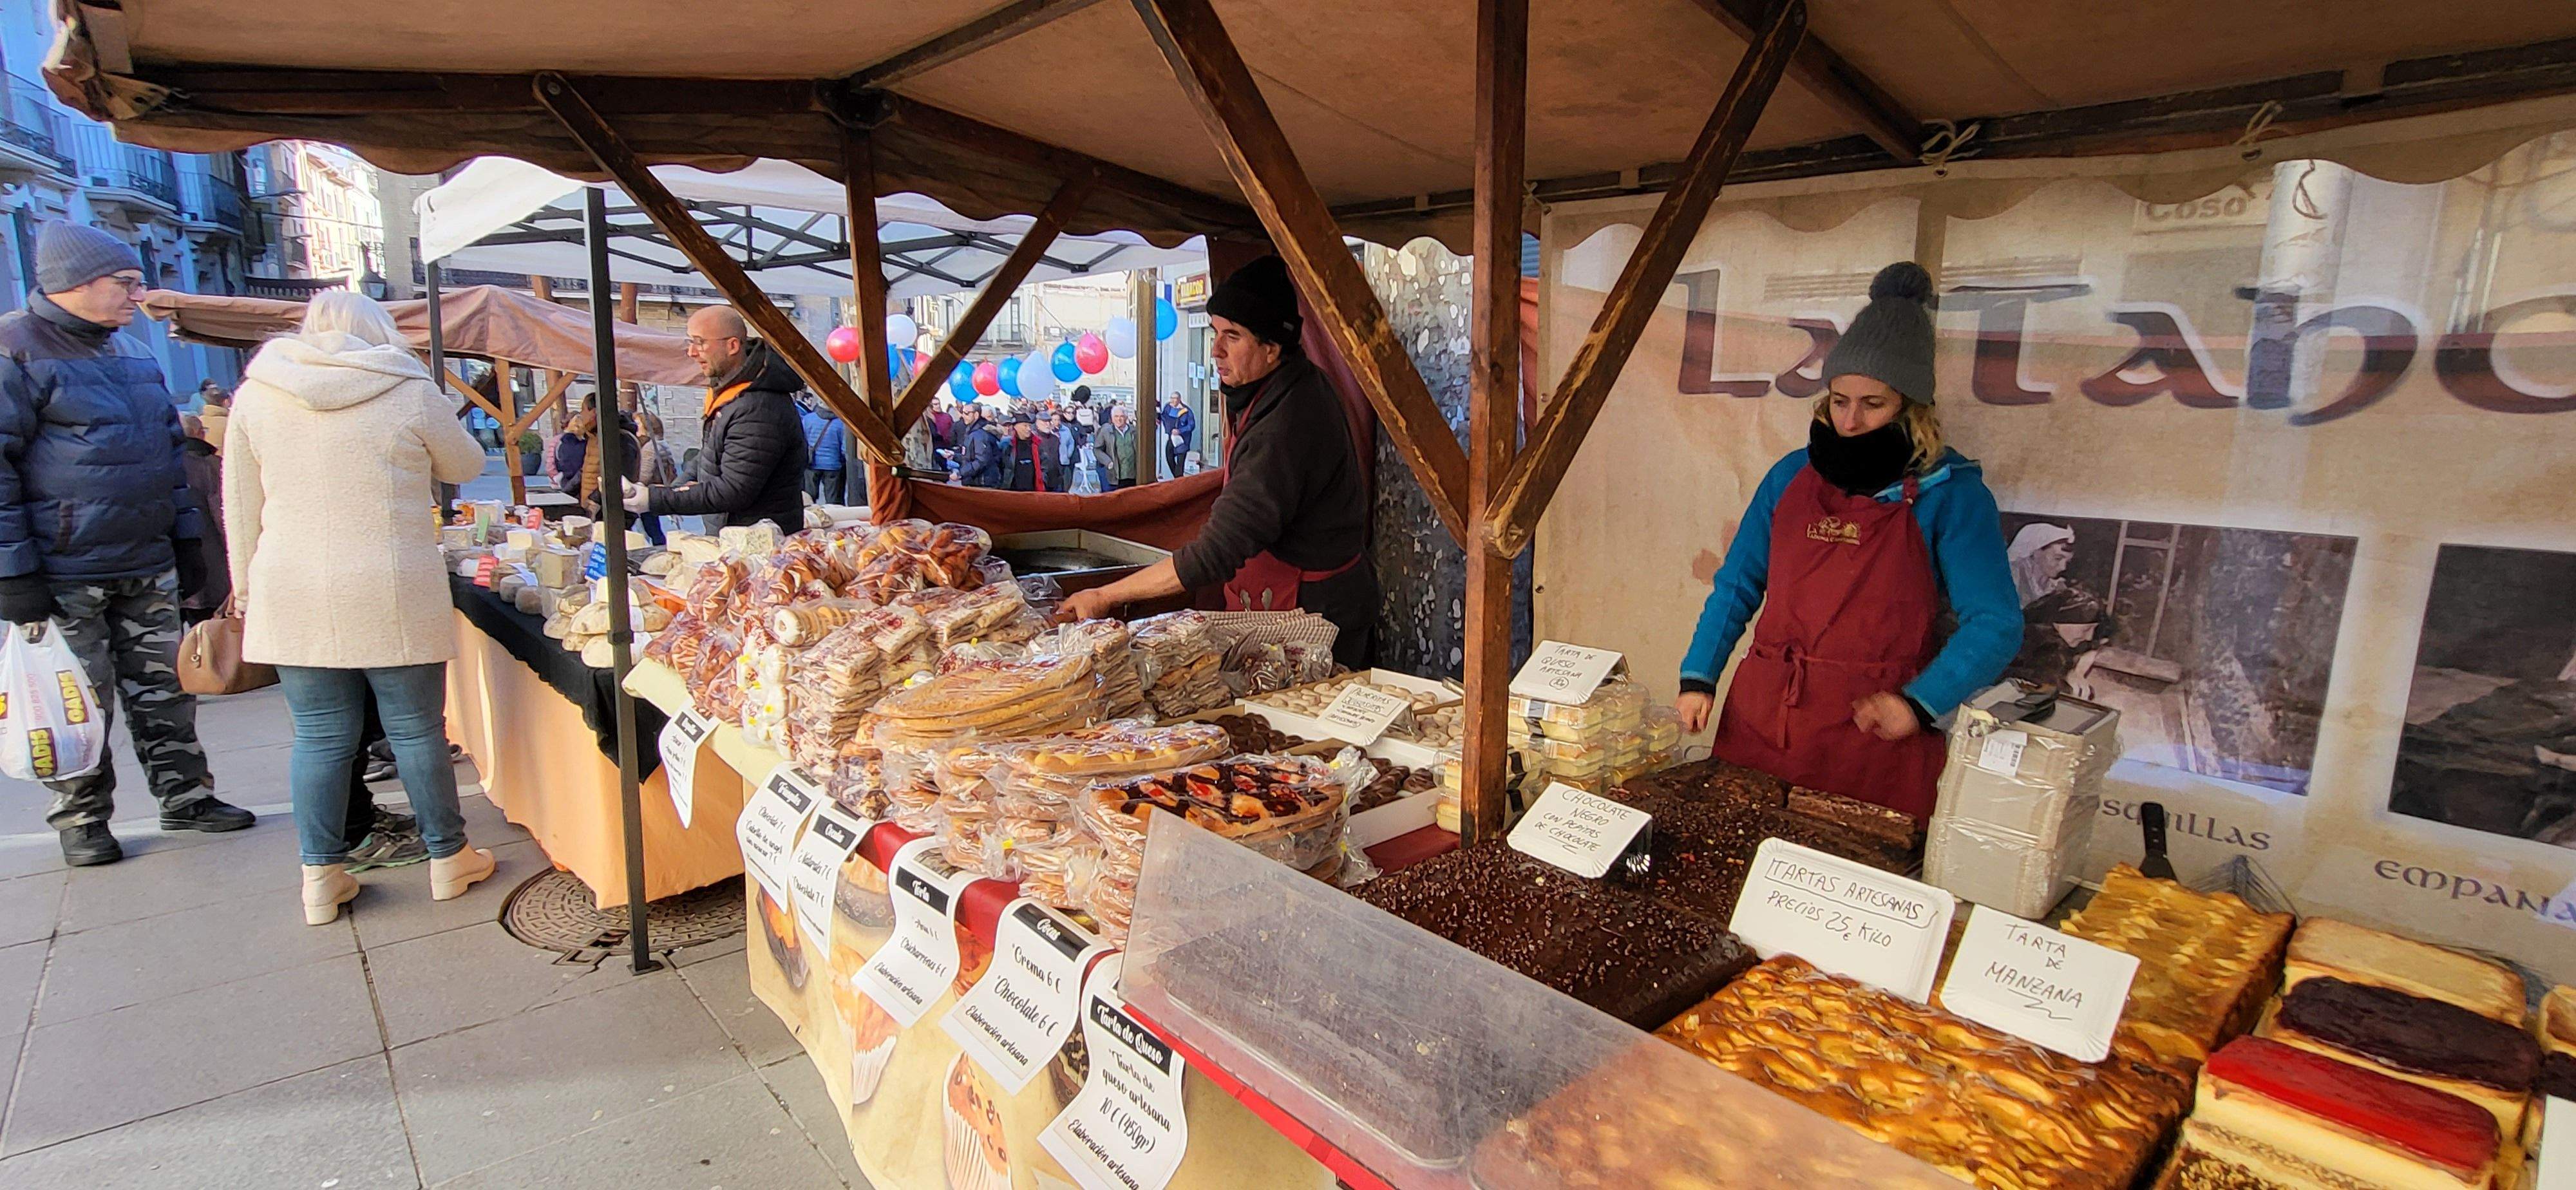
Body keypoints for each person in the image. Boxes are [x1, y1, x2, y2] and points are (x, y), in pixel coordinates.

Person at [1671, 261, 2020, 820]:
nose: (1851, 421)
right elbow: (1738, 584)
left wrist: (1921, 704)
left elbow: (1997, 623)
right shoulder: (1790, 476)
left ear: (1912, 406)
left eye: (1872, 404)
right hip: (1766, 715)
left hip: (1874, 731)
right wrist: (1699, 674)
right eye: (1839, 401)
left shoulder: (1951, 494)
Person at [224, 290, 497, 923]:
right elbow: (466, 461)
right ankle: (447, 858)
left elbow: (240, 505)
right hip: (390, 580)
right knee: (416, 729)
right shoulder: (403, 384)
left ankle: (321, 876)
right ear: (379, 332)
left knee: (318, 738)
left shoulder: (258, 392)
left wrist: (246, 591)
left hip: (290, 584)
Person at [0, 223, 254, 865]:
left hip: (145, 561)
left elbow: (169, 456)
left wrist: (186, 537)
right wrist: (13, 572)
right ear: (74, 283)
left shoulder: (130, 353)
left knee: (165, 690)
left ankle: (186, 796)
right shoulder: (14, 351)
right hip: (62, 569)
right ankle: (82, 818)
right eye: (125, 282)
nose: (136, 295)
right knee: (77, 700)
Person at [1057, 257, 1375, 666]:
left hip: (1318, 614)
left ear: (1272, 348)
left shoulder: (1288, 422)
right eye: (1214, 332)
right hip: (1283, 595)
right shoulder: (1275, 389)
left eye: (1233, 336)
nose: (1216, 350)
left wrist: (1105, 595)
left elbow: (1215, 552)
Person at [621, 307, 804, 530]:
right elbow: (709, 454)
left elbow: (734, 490)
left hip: (759, 544)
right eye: (691, 342)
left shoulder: (758, 408)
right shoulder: (732, 395)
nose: (691, 352)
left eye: (700, 343)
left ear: (733, 346)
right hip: (734, 535)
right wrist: (672, 490)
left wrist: (656, 499)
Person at [2002, 522, 2108, 697]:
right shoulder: (2010, 578)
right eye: (2058, 558)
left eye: (2067, 561)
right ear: (2035, 552)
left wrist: (2076, 671)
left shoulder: (2057, 588)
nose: (2063, 567)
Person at [174, 413, 230, 626]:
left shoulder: (161, 467)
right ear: (199, 433)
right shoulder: (213, 466)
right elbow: (223, 518)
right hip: (217, 572)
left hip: (181, 576)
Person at [633, 410, 676, 545]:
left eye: (638, 424)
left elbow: (645, 475)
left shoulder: (651, 447)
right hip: (656, 491)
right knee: (653, 528)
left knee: (652, 529)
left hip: (650, 492)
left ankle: (660, 550)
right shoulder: (660, 444)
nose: (636, 427)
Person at [800, 394, 844, 502]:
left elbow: (802, 440)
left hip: (812, 464)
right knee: (833, 500)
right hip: (833, 465)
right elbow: (844, 449)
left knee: (809, 498)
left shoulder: (808, 419)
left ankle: (811, 517)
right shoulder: (841, 423)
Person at [956, 404, 1007, 488]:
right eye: (963, 413)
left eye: (967, 413)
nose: (963, 416)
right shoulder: (972, 431)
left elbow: (981, 461)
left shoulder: (979, 434)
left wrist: (960, 473)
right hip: (975, 481)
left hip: (983, 483)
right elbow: (969, 457)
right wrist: (954, 456)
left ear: (976, 415)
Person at [1004, 415, 1056, 493]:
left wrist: (1043, 481)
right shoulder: (1008, 445)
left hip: (1034, 492)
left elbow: (1045, 466)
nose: (1028, 429)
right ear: (1016, 427)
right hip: (1012, 491)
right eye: (1025, 426)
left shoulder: (1037, 445)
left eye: (1030, 426)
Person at [1094, 404, 1140, 490]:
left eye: (1122, 416)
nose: (1119, 419)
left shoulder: (1134, 431)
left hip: (1132, 474)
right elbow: (1097, 449)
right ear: (1112, 418)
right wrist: (1108, 462)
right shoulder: (1106, 431)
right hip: (1115, 475)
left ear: (1126, 418)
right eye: (1116, 417)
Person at [1158, 391, 1194, 480]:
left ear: (1179, 400)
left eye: (1176, 399)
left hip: (1183, 440)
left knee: (1180, 463)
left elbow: (1191, 425)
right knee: (1169, 456)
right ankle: (1178, 479)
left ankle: (1179, 480)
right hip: (1172, 438)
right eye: (1172, 399)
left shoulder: (1186, 411)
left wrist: (1180, 431)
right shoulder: (1168, 408)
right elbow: (1163, 417)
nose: (1173, 401)